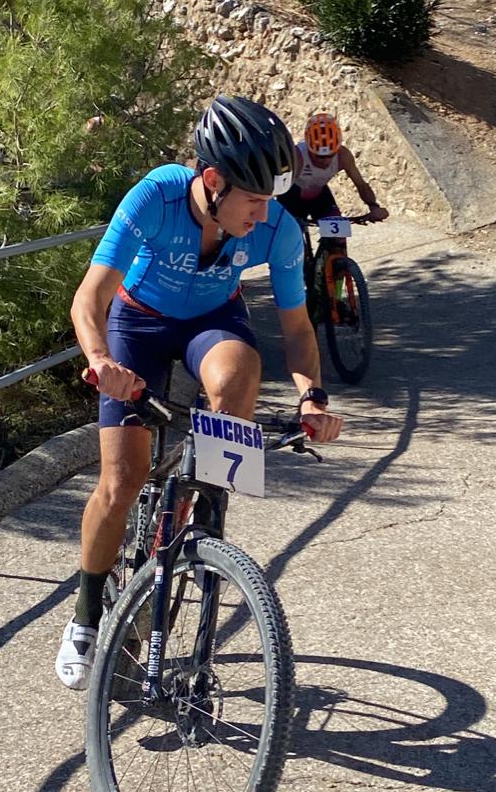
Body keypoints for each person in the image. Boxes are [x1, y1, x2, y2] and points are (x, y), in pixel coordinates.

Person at [56, 94, 343, 691]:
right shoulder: (156, 197)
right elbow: (91, 297)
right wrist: (102, 361)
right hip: (136, 324)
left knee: (240, 373)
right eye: (255, 201)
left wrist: (312, 396)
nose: (263, 216)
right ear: (212, 180)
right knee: (121, 478)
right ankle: (86, 615)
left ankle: (197, 516)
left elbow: (296, 328)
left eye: (272, 201)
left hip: (212, 321)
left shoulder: (280, 233)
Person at [278, 111, 389, 224]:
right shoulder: (298, 157)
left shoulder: (343, 156)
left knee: (338, 237)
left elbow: (360, 184)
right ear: (308, 148)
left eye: (330, 155)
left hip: (319, 195)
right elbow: (280, 187)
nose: (325, 161)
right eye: (318, 156)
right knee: (292, 232)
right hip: (292, 196)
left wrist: (374, 206)